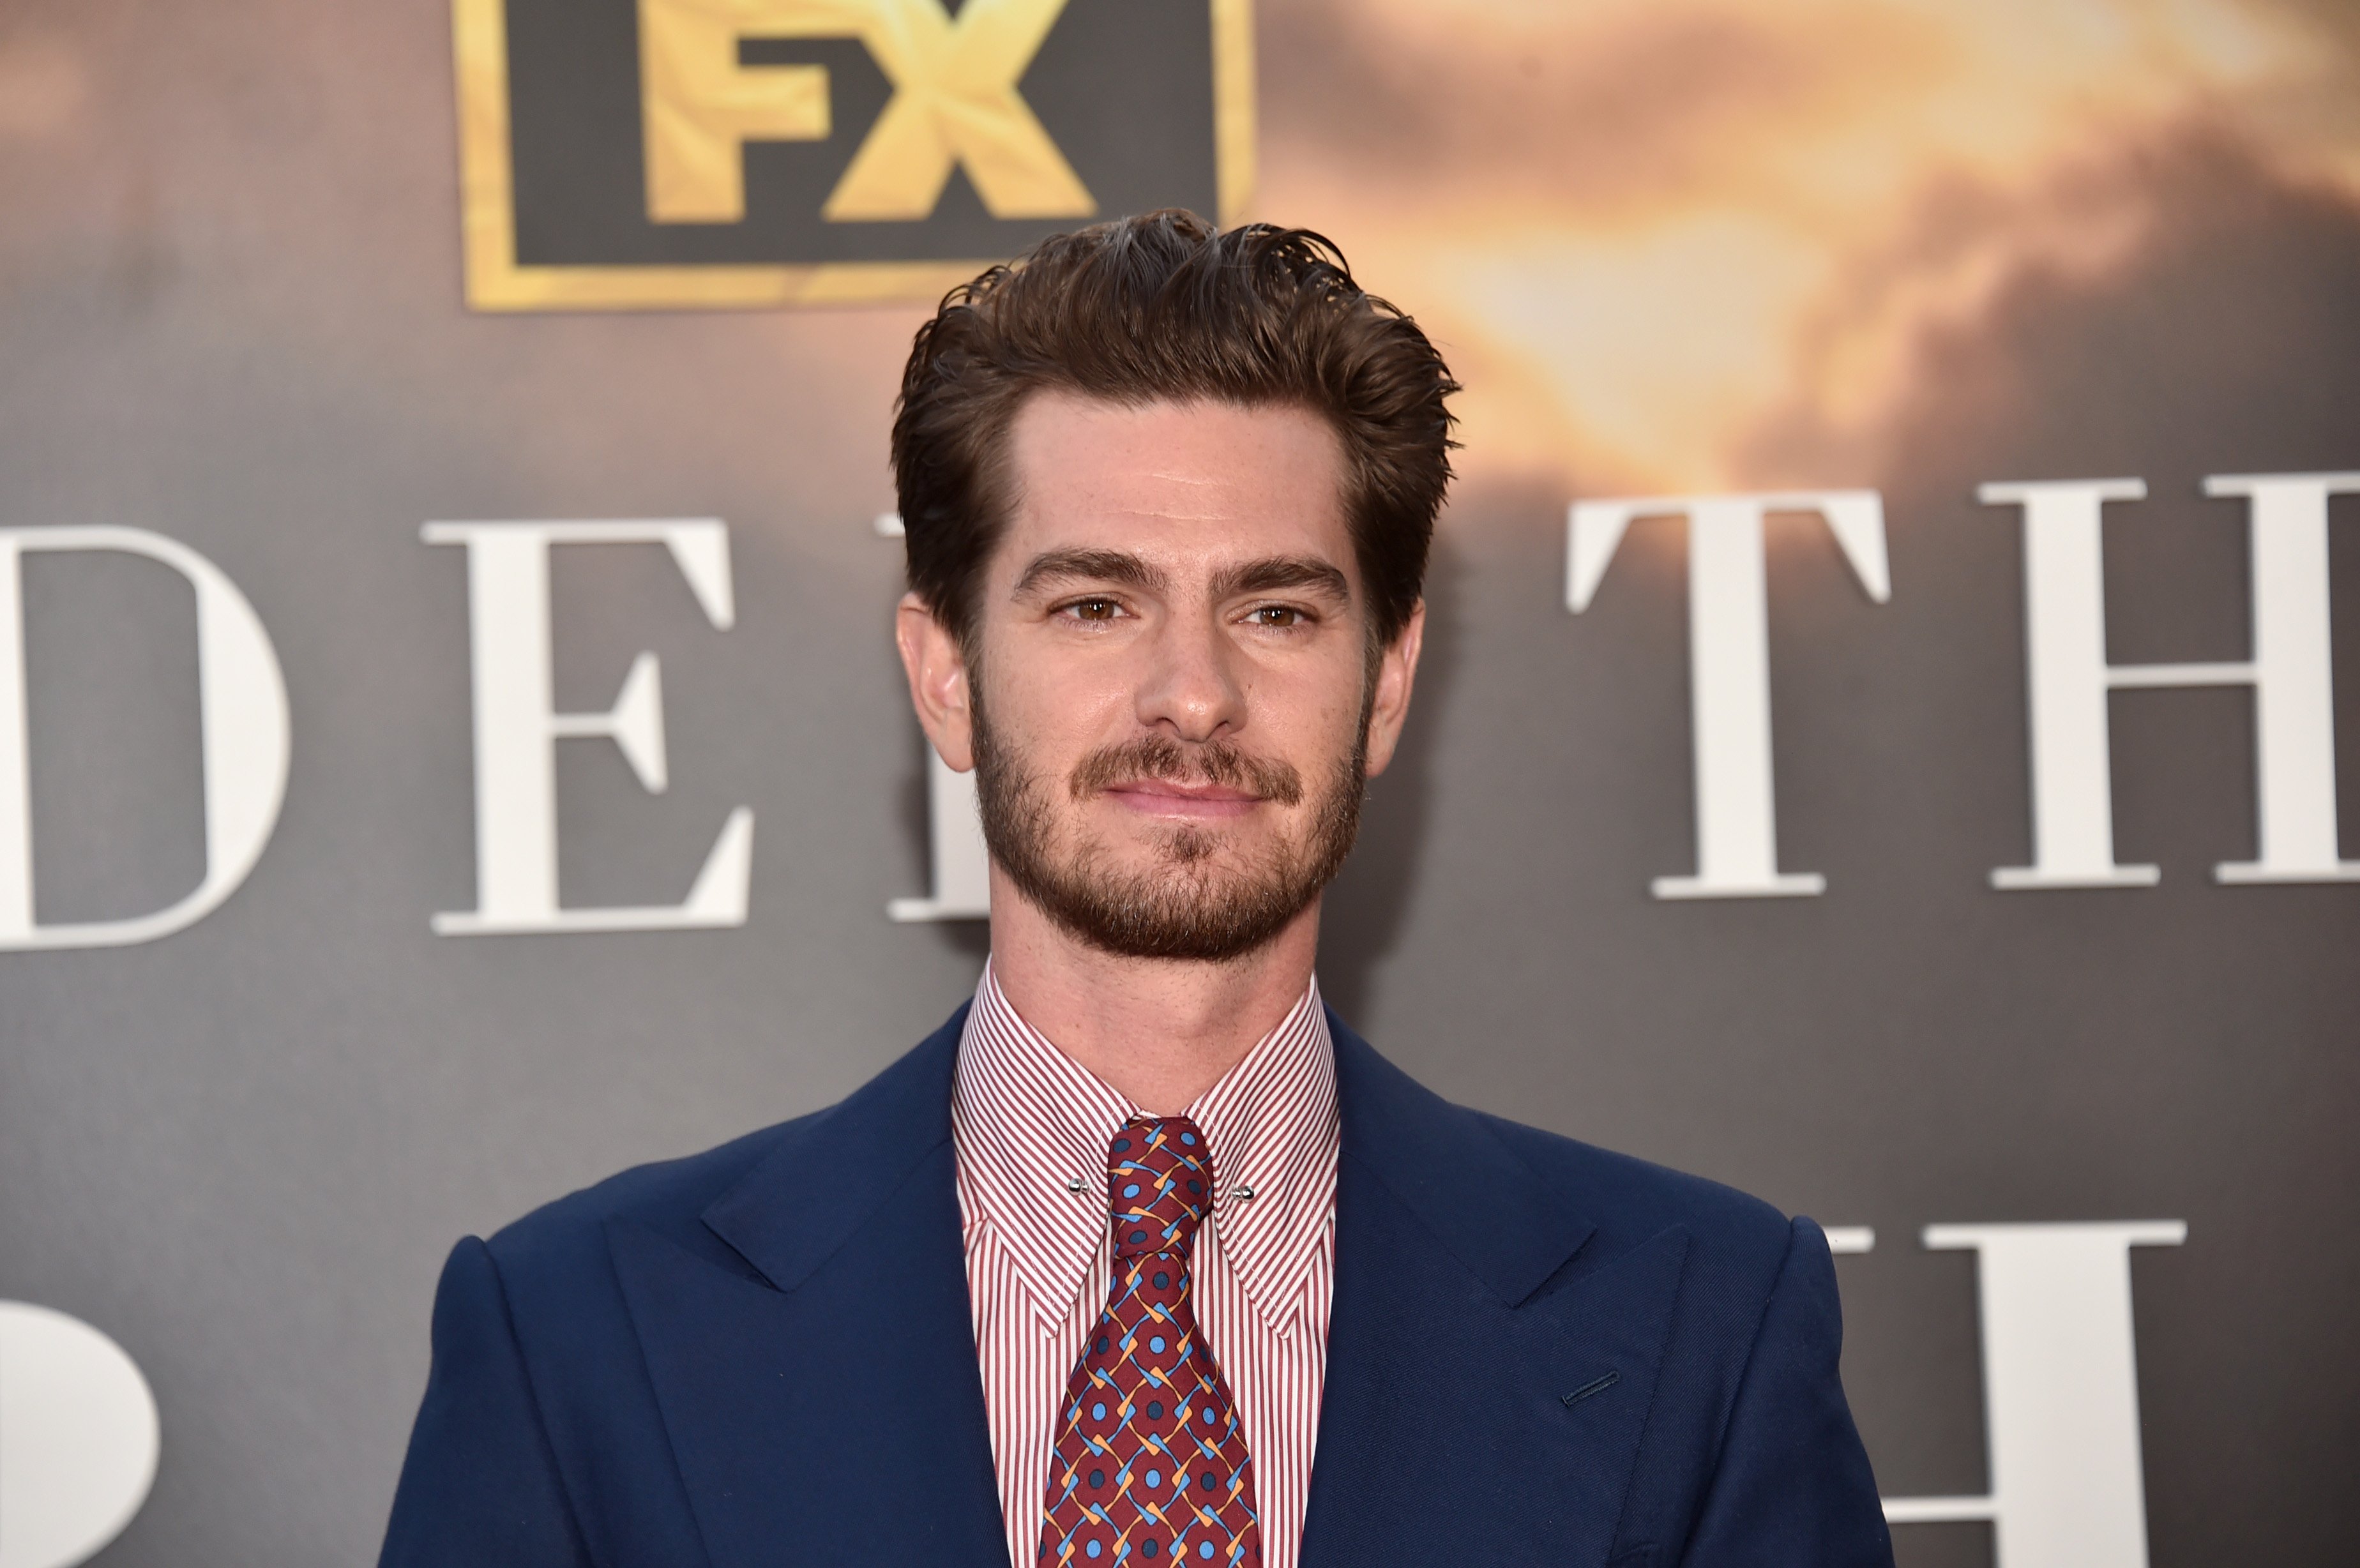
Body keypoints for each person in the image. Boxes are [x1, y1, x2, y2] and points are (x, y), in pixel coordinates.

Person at [379, 211, 1893, 1568]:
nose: (1195, 693)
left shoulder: (1701, 1325)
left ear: (1387, 684)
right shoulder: (582, 1338)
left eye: (1279, 608)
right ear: (949, 673)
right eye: (1098, 602)